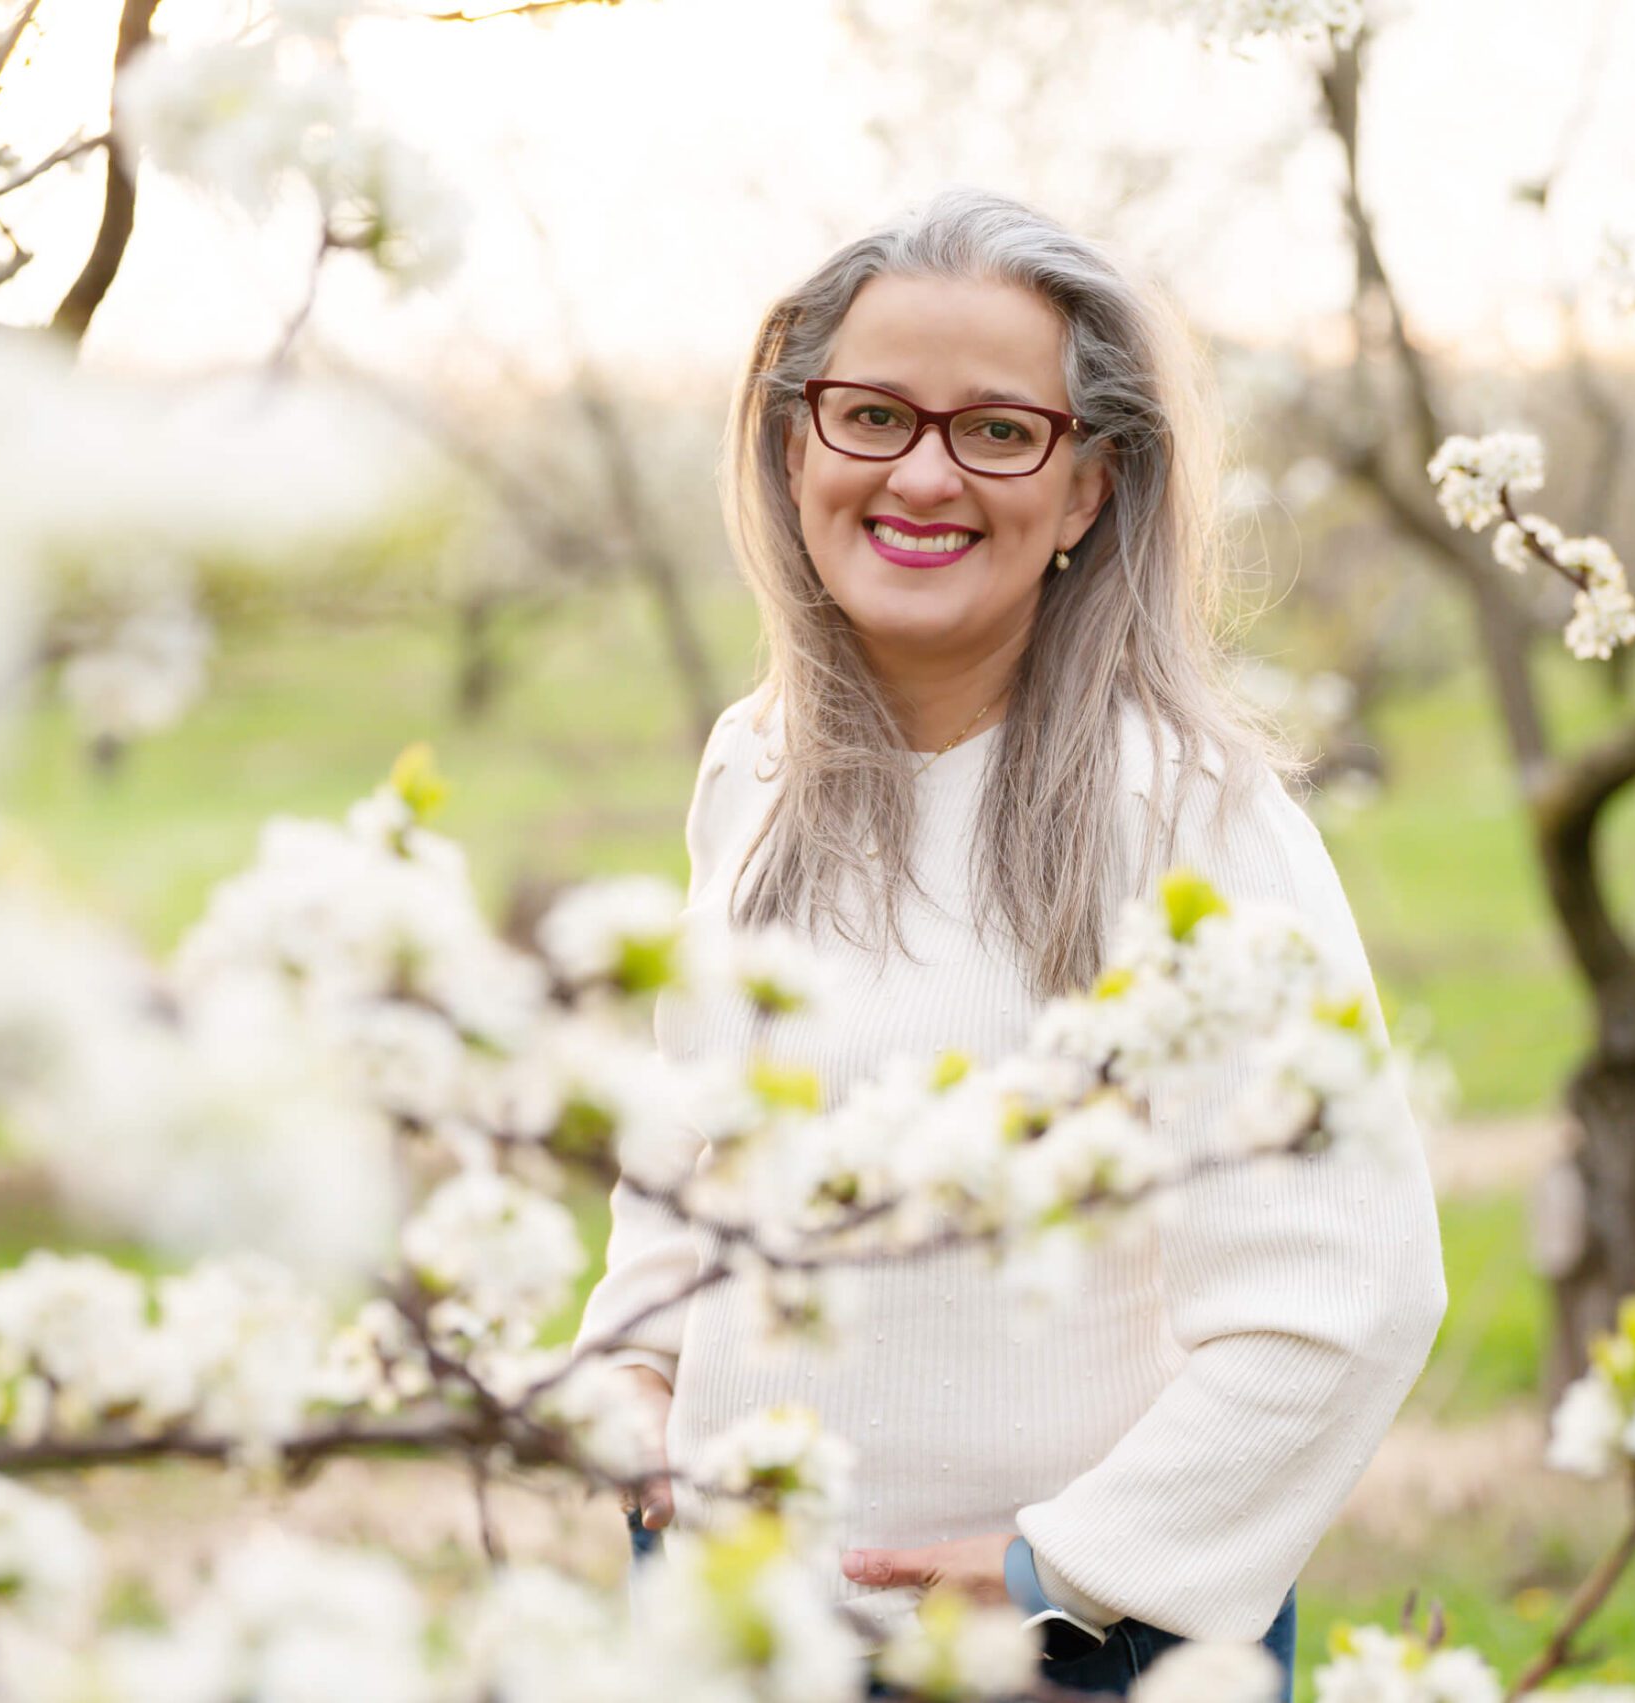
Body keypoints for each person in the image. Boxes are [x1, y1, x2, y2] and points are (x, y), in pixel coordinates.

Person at [569, 185, 1448, 1700]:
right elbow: (690, 1147)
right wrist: (635, 1369)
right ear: (793, 446)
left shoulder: (1187, 824)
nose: (921, 473)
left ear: (1092, 485)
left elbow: (1352, 1290)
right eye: (871, 416)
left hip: (1060, 1654)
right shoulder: (756, 767)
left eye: (995, 430)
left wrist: (1074, 1566)